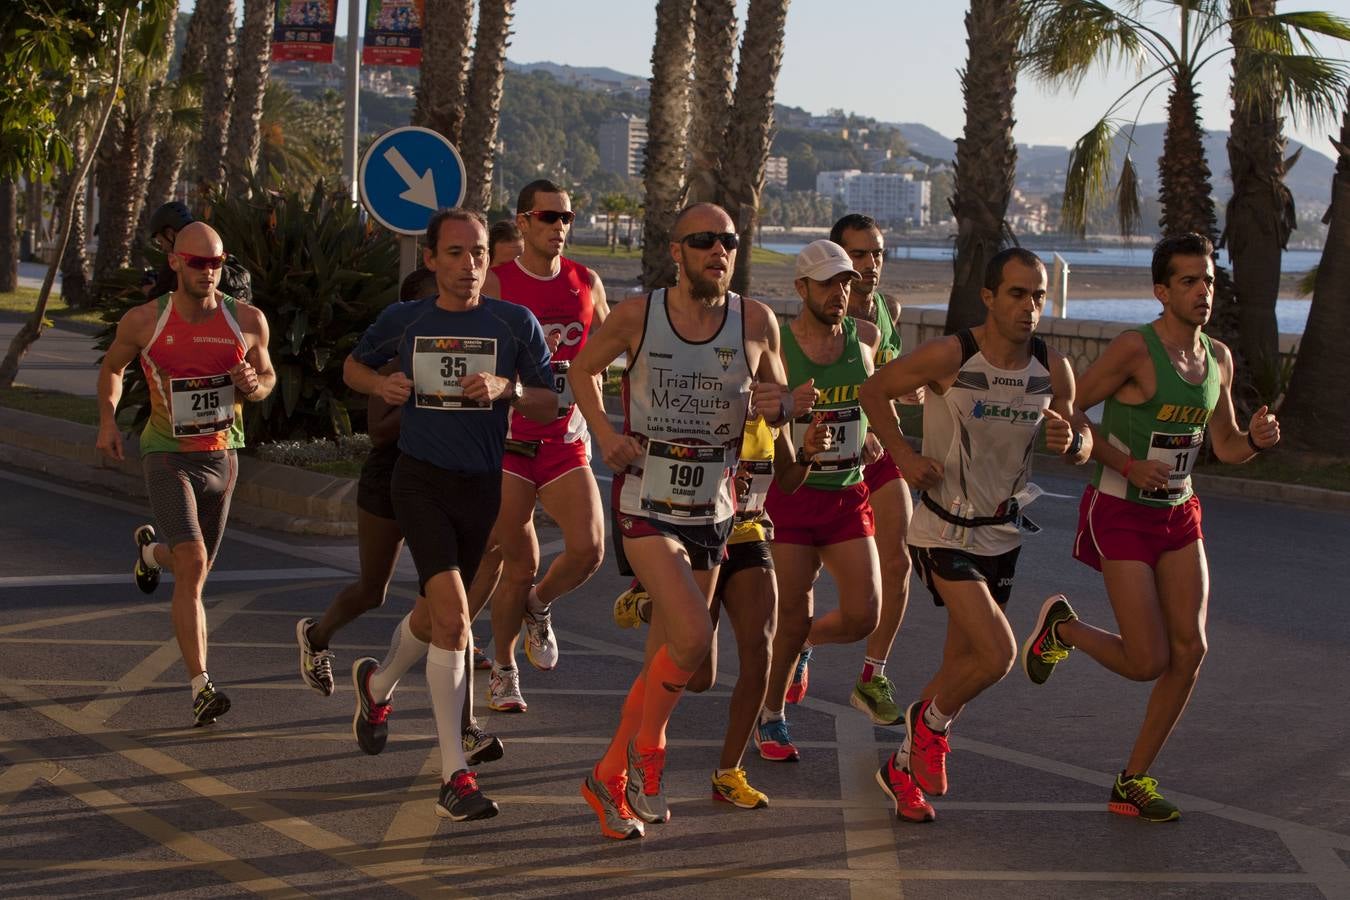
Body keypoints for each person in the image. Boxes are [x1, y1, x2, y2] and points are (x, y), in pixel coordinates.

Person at [1020, 232, 1281, 823]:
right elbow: (1072, 409)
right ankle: (1064, 630)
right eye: (1189, 281)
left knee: (1190, 652)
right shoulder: (1135, 349)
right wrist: (1127, 463)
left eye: (1209, 280)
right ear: (1161, 291)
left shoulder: (1218, 358)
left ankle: (1132, 779)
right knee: (1146, 660)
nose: (1202, 292)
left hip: (1179, 514)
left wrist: (1257, 443)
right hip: (1122, 512)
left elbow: (1226, 444)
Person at [568, 202, 794, 840]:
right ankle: (647, 760)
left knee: (681, 663)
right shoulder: (640, 315)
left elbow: (777, 409)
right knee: (692, 640)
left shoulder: (757, 321)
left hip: (716, 509)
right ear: (676, 251)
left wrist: (780, 408)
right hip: (645, 501)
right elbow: (582, 370)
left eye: (727, 240)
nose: (718, 251)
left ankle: (607, 779)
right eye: (703, 241)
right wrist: (605, 434)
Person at [860, 247, 1089, 823]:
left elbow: (1079, 435)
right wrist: (906, 456)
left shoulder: (1052, 367)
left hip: (1002, 535)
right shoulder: (951, 355)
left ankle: (902, 768)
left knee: (960, 666)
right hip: (942, 529)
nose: (1030, 306)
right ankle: (928, 725)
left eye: (1038, 295)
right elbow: (873, 391)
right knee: (998, 653)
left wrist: (1074, 443)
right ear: (989, 297)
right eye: (1017, 293)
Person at [342, 208, 555, 823]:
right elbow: (353, 365)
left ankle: (377, 686)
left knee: (438, 615)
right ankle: (452, 773)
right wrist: (377, 387)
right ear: (431, 259)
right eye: (456, 253)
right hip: (419, 481)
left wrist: (506, 390)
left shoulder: (514, 323)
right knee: (457, 621)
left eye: (479, 253)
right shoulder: (404, 320)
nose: (469, 266)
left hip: (482, 486)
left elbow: (547, 400)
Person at [293, 267, 502, 767]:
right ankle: (317, 636)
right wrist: (419, 398)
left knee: (451, 613)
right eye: (435, 302)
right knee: (374, 589)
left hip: (446, 482)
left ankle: (465, 728)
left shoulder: (473, 351)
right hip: (392, 481)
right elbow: (379, 432)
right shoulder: (391, 363)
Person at [96, 221, 276, 726]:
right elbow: (113, 368)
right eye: (198, 262)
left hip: (224, 457)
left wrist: (252, 384)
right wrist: (108, 419)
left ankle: (151, 553)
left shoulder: (247, 320)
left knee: (191, 568)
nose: (209, 272)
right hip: (167, 453)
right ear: (176, 261)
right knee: (194, 564)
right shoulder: (144, 321)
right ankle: (201, 685)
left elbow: (266, 379)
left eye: (217, 262)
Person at [613, 391, 827, 810]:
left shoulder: (771, 419)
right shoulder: (699, 410)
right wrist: (724, 482)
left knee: (761, 650)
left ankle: (729, 772)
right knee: (698, 677)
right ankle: (650, 600)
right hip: (699, 537)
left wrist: (806, 454)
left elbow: (787, 480)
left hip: (749, 537)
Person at [475, 180, 610, 715]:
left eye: (567, 218)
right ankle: (505, 670)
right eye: (548, 217)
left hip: (564, 438)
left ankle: (539, 607)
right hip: (507, 441)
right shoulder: (498, 284)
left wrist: (611, 427)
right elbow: (471, 358)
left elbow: (613, 352)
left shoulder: (586, 281)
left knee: (589, 548)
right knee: (520, 560)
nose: (559, 227)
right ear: (524, 222)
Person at [754, 239, 883, 764]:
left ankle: (806, 646)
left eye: (846, 282)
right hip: (794, 495)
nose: (839, 292)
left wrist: (872, 432)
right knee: (789, 616)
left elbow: (870, 400)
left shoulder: (864, 340)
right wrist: (788, 418)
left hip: (847, 494)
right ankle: (771, 716)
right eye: (829, 282)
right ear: (801, 288)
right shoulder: (779, 346)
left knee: (864, 616)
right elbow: (760, 415)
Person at [831, 213, 915, 726]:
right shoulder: (824, 318)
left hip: (881, 451)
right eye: (859, 255)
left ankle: (872, 675)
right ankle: (798, 647)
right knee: (814, 578)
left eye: (877, 253)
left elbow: (886, 377)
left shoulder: (887, 309)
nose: (870, 264)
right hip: (826, 457)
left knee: (899, 560)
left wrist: (910, 387)